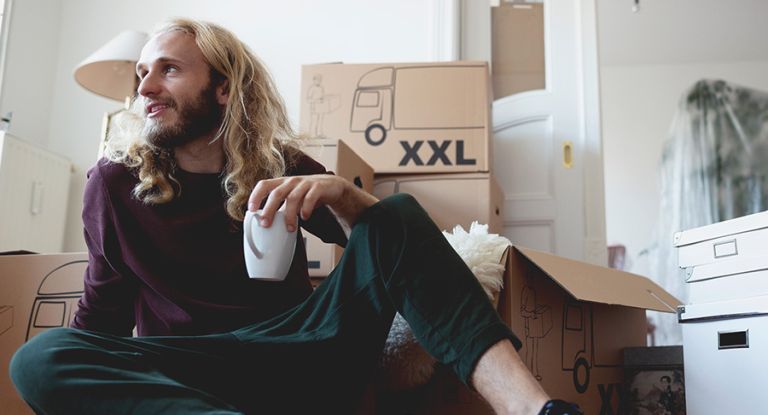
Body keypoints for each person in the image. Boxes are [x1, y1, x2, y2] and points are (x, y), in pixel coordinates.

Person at [9, 18, 582, 415]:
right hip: (189, 372)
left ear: (223, 89)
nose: (145, 87)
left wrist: (341, 193)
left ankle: (531, 406)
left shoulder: (275, 164)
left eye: (168, 70)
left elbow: (390, 251)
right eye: (140, 74)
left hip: (299, 353)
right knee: (39, 358)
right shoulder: (113, 184)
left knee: (397, 214)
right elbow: (101, 315)